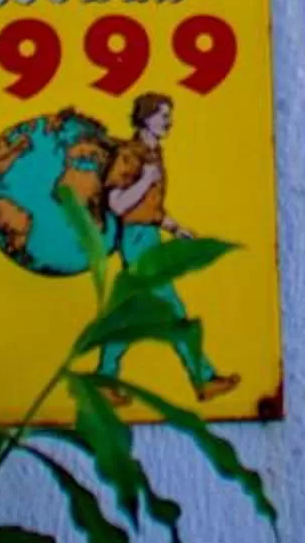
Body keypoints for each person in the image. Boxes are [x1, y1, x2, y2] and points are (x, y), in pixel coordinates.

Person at [97, 92, 236, 402]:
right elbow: (117, 204)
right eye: (162, 115)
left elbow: (149, 206)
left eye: (168, 115)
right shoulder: (129, 156)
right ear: (145, 118)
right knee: (172, 310)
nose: (168, 121)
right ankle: (203, 378)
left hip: (148, 236)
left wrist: (174, 227)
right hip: (135, 239)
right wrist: (145, 181)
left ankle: (105, 380)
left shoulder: (152, 153)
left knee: (126, 313)